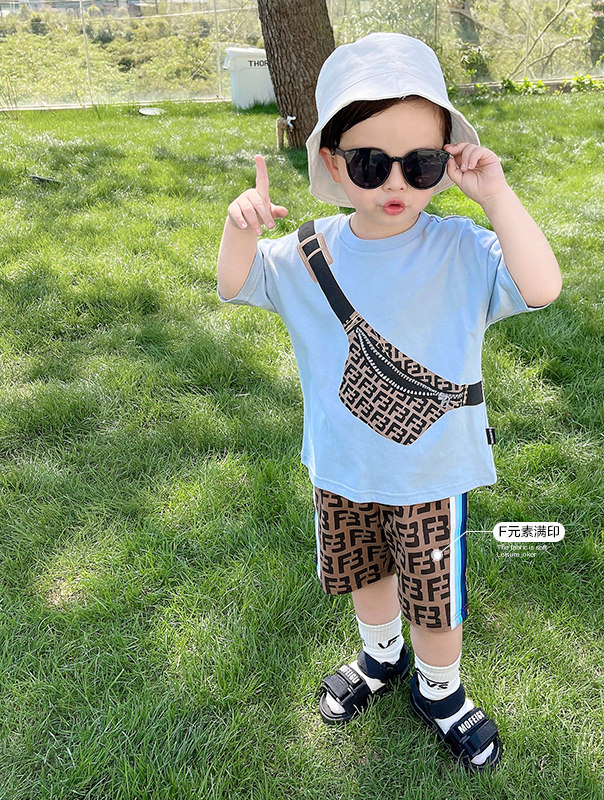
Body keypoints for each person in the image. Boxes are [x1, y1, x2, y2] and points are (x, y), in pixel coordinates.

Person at [217, 32, 561, 772]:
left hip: (431, 473)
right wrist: (239, 229)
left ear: (445, 161)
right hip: (343, 466)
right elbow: (236, 284)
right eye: (372, 163)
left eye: (422, 163)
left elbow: (541, 287)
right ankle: (381, 656)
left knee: (434, 596)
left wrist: (497, 196)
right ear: (335, 162)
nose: (396, 182)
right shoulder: (305, 254)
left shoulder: (461, 248)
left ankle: (441, 690)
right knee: (364, 572)